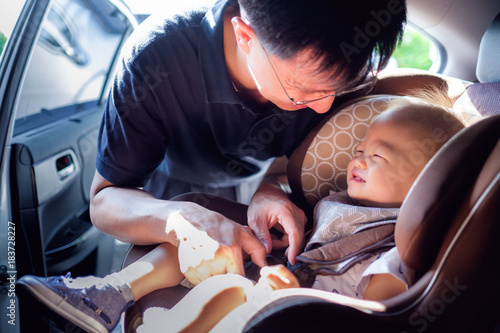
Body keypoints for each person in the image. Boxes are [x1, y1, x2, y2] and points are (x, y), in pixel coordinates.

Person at [17, 96, 466, 333]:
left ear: (425, 184)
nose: (358, 160)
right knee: (204, 239)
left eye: (379, 158)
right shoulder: (337, 201)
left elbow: (374, 313)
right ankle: (109, 295)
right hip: (277, 280)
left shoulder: (396, 241)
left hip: (306, 313)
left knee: (232, 290)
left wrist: (295, 297)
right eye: (361, 149)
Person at [88, 0, 407, 292]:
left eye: (335, 89)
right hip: (166, 181)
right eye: (301, 90)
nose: (324, 107)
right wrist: (181, 218)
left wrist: (270, 189)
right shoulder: (156, 58)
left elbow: (304, 158)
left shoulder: (349, 69)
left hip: (257, 179)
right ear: (244, 35)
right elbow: (104, 200)